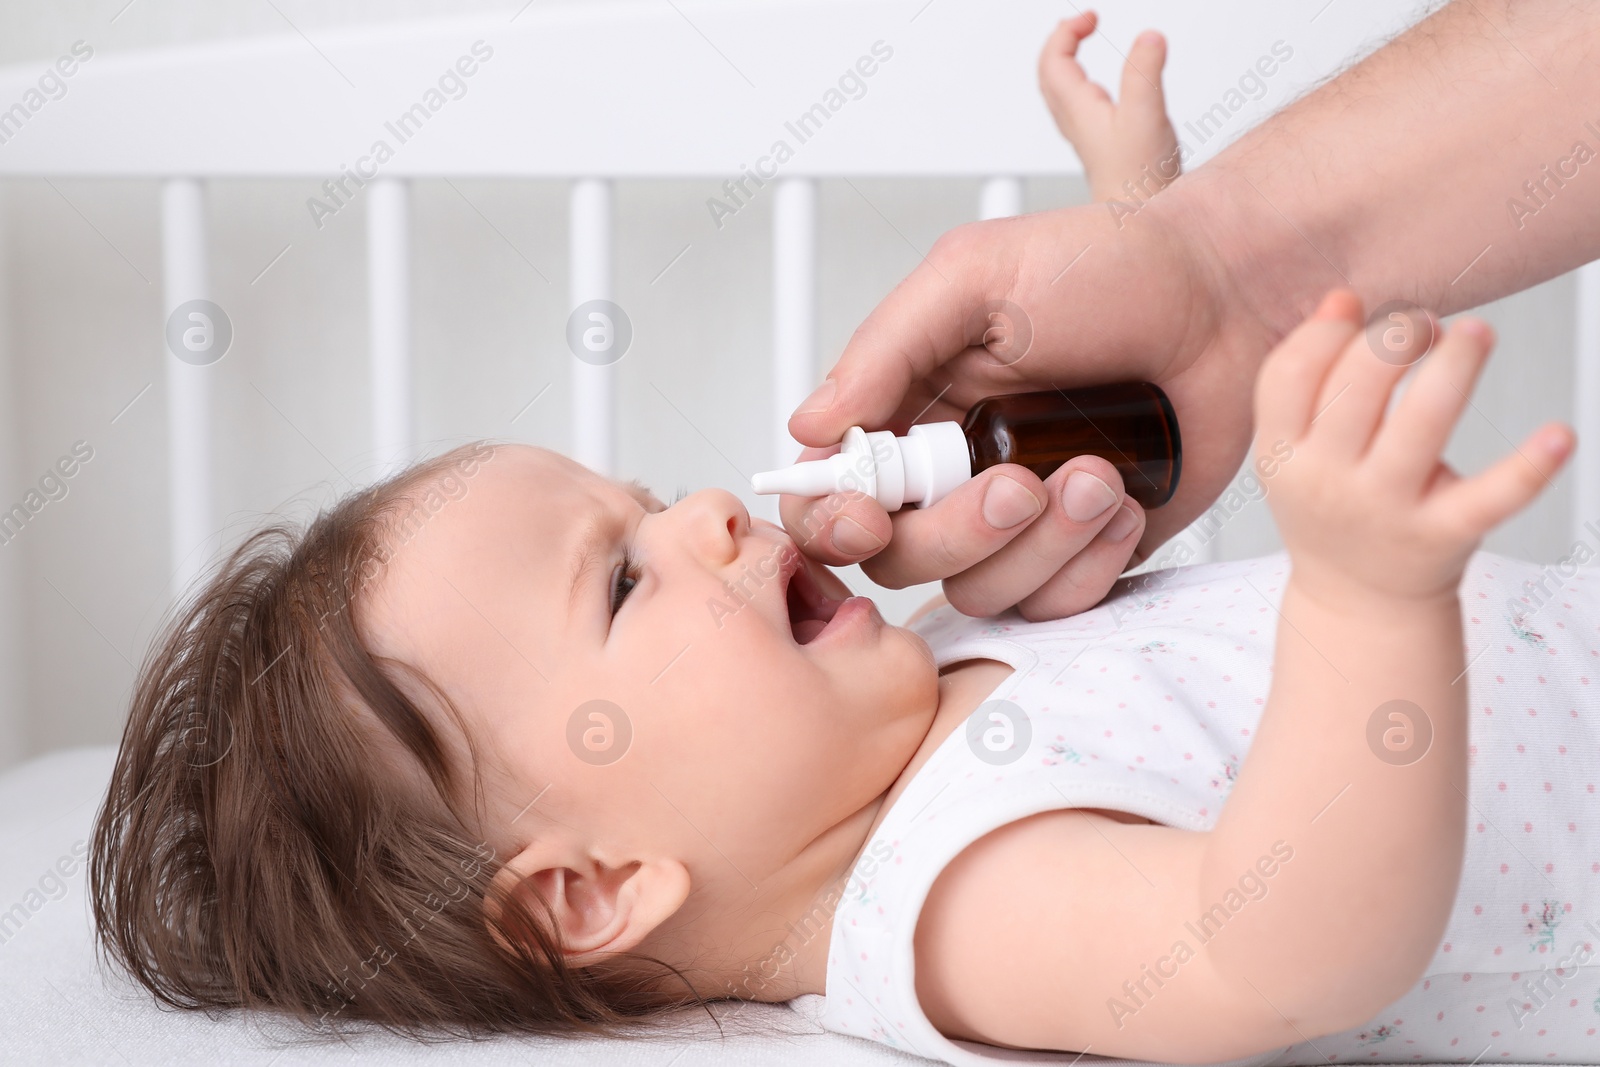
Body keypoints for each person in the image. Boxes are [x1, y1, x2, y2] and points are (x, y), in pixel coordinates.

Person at [88, 290, 1586, 1064]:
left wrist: (1145, 248)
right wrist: (1369, 596)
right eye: (621, 578)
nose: (707, 516)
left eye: (643, 496)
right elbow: (1277, 956)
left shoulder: (929, 678)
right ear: (588, 888)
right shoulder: (952, 895)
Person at [780, 0, 1600, 621]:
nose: (712, 516)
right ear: (649, 857)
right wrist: (1368, 594)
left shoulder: (948, 651)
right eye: (640, 578)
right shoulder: (956, 735)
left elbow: (1157, 325)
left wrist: (1173, 238)